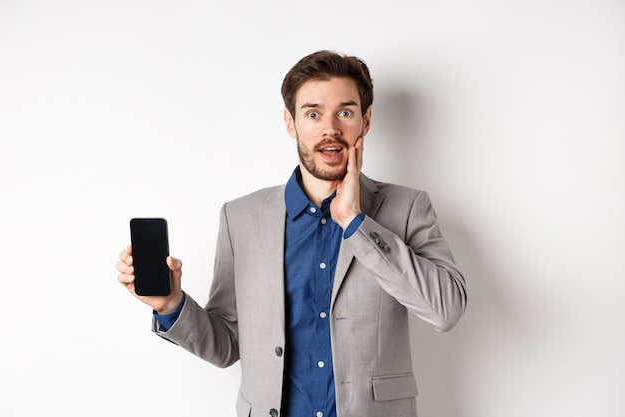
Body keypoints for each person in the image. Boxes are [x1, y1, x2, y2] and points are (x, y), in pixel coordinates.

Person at [116, 50, 467, 417]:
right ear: (290, 122)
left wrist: (355, 222)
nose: (330, 129)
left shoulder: (407, 208)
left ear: (365, 120)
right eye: (313, 114)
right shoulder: (241, 218)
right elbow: (227, 346)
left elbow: (446, 311)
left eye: (345, 112)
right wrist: (170, 304)